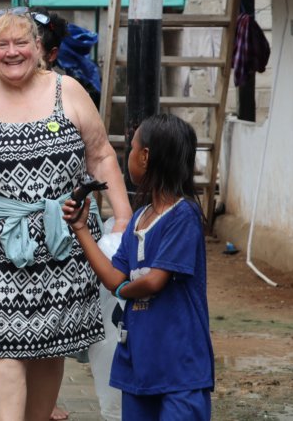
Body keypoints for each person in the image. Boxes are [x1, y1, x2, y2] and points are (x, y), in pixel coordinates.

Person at [0, 9, 132, 418]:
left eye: (21, 42)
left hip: (65, 245)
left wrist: (123, 218)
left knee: (50, 343)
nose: (12, 52)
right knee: (3, 344)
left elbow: (101, 155)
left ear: (38, 48)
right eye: (2, 44)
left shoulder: (67, 90)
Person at [63, 113, 214, 419]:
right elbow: (112, 277)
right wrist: (80, 229)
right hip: (138, 364)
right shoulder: (139, 218)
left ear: (145, 156)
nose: (127, 156)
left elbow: (154, 281)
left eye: (131, 148)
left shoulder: (183, 216)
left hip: (180, 368)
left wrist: (122, 289)